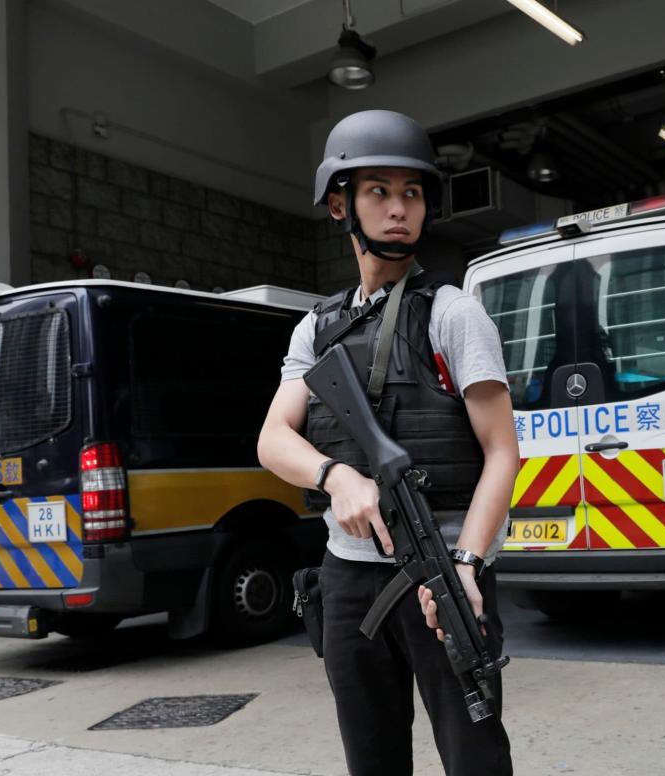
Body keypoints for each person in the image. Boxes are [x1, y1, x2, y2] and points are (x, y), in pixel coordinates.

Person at [257, 109, 517, 776]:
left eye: (412, 193)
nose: (399, 209)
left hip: (443, 572)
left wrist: (466, 563)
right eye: (379, 191)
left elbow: (502, 452)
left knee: (475, 756)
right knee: (370, 757)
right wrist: (336, 478)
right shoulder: (316, 330)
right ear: (340, 204)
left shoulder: (454, 314)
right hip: (348, 577)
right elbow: (273, 439)